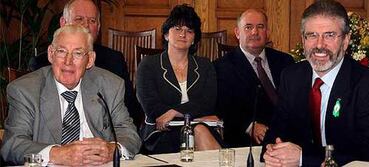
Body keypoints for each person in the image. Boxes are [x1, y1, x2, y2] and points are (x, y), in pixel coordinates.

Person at [262, 0, 369, 166]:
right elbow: (276, 131)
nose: (319, 45)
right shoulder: (292, 76)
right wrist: (273, 150)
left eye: (329, 35)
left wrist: (303, 158)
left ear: (346, 41)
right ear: (303, 40)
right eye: (312, 35)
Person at [0, 25, 141, 166]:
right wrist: (57, 154)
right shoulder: (25, 90)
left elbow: (130, 134)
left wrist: (113, 150)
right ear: (50, 54)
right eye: (61, 51)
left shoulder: (110, 86)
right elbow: (12, 145)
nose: (68, 62)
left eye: (77, 53)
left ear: (90, 60)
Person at [30, 0, 143, 129]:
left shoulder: (114, 60)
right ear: (63, 23)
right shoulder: (42, 63)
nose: (86, 26)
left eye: (92, 21)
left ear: (99, 27)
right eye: (79, 19)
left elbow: (131, 111)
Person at [136, 4, 221, 154]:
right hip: (162, 133)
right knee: (198, 131)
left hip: (201, 127)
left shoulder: (205, 65)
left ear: (194, 39)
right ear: (166, 34)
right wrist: (192, 114)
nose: (183, 34)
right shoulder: (149, 65)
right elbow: (152, 107)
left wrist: (175, 111)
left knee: (199, 131)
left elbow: (208, 103)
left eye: (189, 31)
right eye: (177, 29)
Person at [214, 9, 294, 147]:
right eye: (248, 27)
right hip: (249, 139)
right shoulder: (222, 67)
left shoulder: (285, 61)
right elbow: (222, 106)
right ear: (237, 33)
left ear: (267, 32)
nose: (254, 32)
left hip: (289, 134)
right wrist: (249, 126)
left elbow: (296, 99)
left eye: (260, 27)